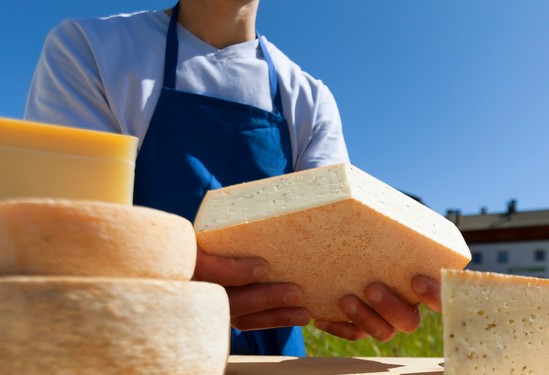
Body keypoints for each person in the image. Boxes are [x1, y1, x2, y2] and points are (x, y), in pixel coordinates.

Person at [25, 0, 441, 356]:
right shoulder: (90, 50)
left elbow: (332, 236)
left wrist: (369, 291)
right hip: (128, 356)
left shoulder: (310, 99)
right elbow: (68, 239)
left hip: (273, 373)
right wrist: (174, 277)